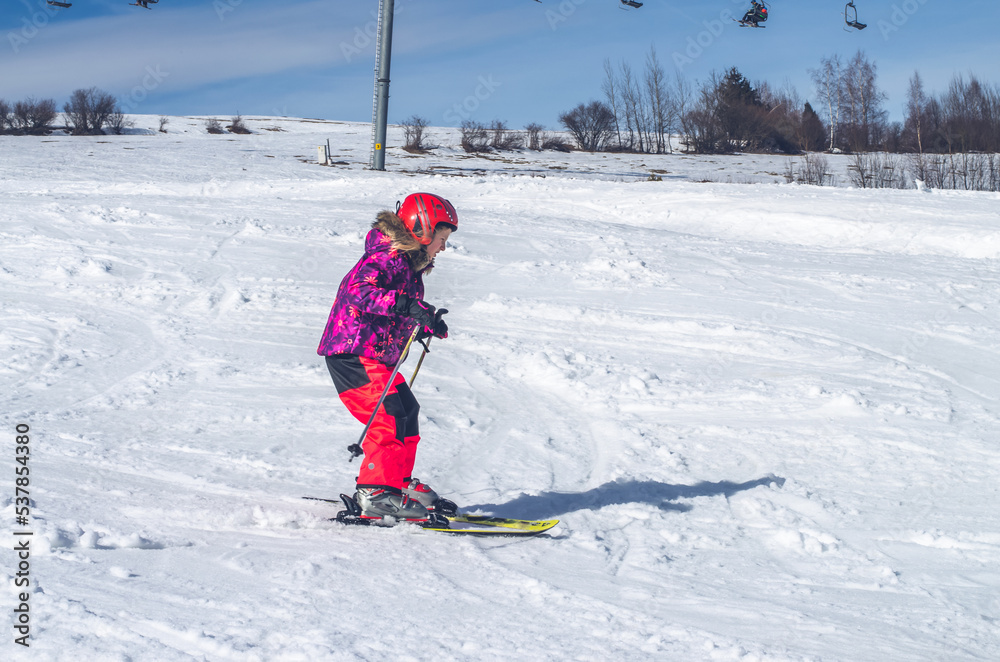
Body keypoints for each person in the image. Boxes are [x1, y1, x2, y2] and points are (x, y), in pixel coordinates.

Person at [317, 193, 457, 522]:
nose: (443, 247)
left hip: (373, 355)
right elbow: (361, 291)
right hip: (352, 352)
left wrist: (423, 323)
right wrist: (408, 306)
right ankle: (375, 492)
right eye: (442, 239)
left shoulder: (407, 265)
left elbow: (393, 307)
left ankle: (396, 484)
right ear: (422, 229)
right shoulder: (386, 255)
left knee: (406, 411)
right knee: (388, 417)